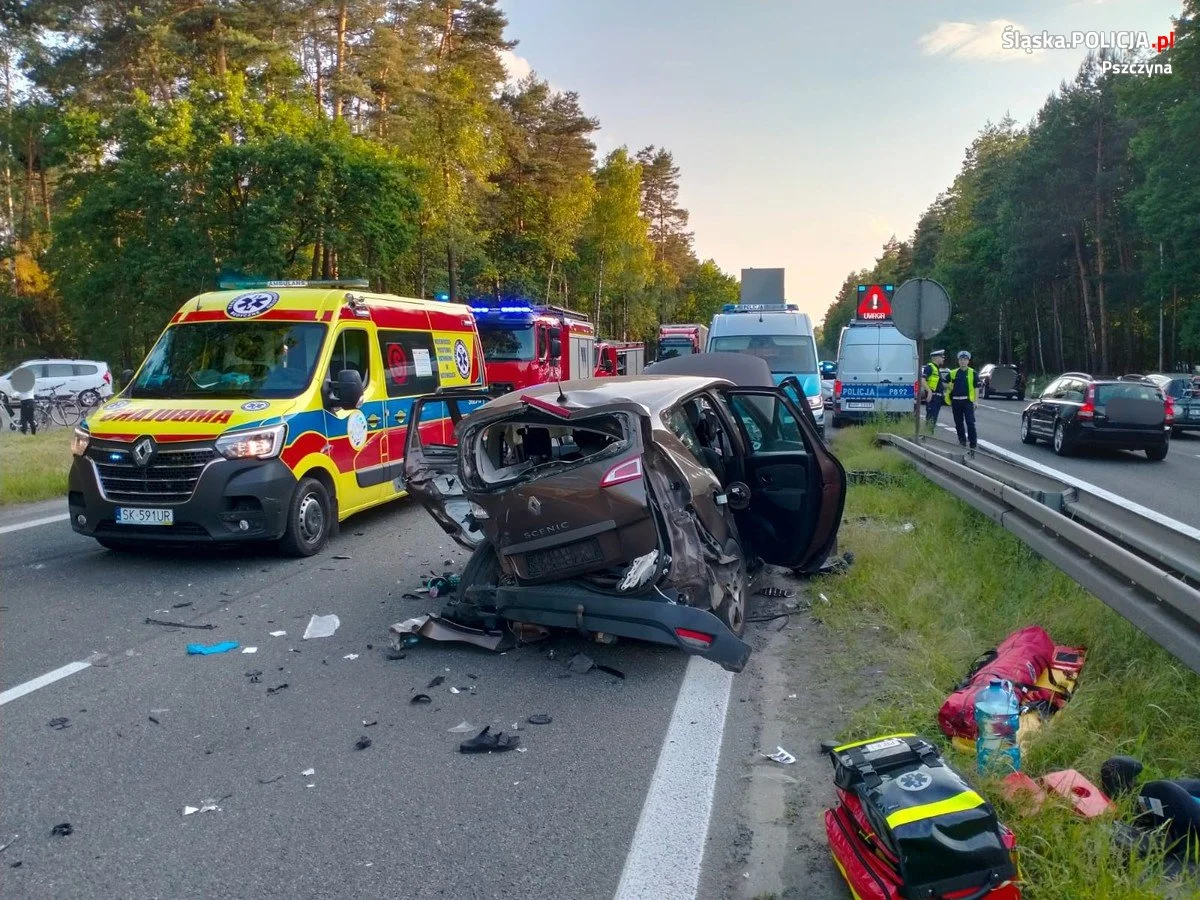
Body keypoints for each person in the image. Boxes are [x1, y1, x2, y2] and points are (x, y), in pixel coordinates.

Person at [945, 350, 977, 449]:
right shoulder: (953, 373)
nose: (963, 361)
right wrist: (949, 386)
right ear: (958, 361)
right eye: (961, 360)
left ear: (968, 361)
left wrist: (976, 401)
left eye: (965, 360)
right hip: (956, 401)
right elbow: (944, 382)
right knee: (958, 422)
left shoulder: (973, 372)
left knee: (970, 422)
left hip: (967, 401)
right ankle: (962, 440)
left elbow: (976, 387)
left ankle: (973, 442)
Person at [922, 349, 947, 432]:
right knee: (931, 419)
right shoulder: (930, 367)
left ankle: (928, 435)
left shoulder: (936, 368)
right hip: (933, 397)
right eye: (942, 357)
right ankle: (927, 436)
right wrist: (929, 391)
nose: (943, 359)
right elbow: (922, 380)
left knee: (933, 419)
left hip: (937, 398)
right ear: (937, 358)